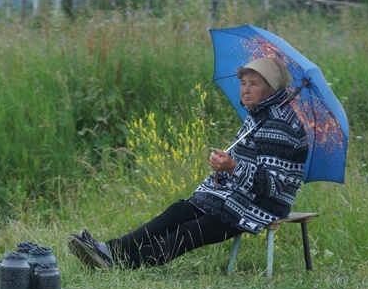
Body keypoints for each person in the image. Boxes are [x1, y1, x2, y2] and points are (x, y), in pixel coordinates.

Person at [68, 56, 309, 269]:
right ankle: (111, 250)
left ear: (271, 87)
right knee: (179, 211)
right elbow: (246, 163)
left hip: (262, 204)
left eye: (253, 84)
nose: (245, 90)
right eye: (243, 83)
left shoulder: (279, 124)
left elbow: (273, 185)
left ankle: (122, 263)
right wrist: (223, 165)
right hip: (236, 195)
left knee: (191, 230)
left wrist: (232, 167)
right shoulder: (259, 115)